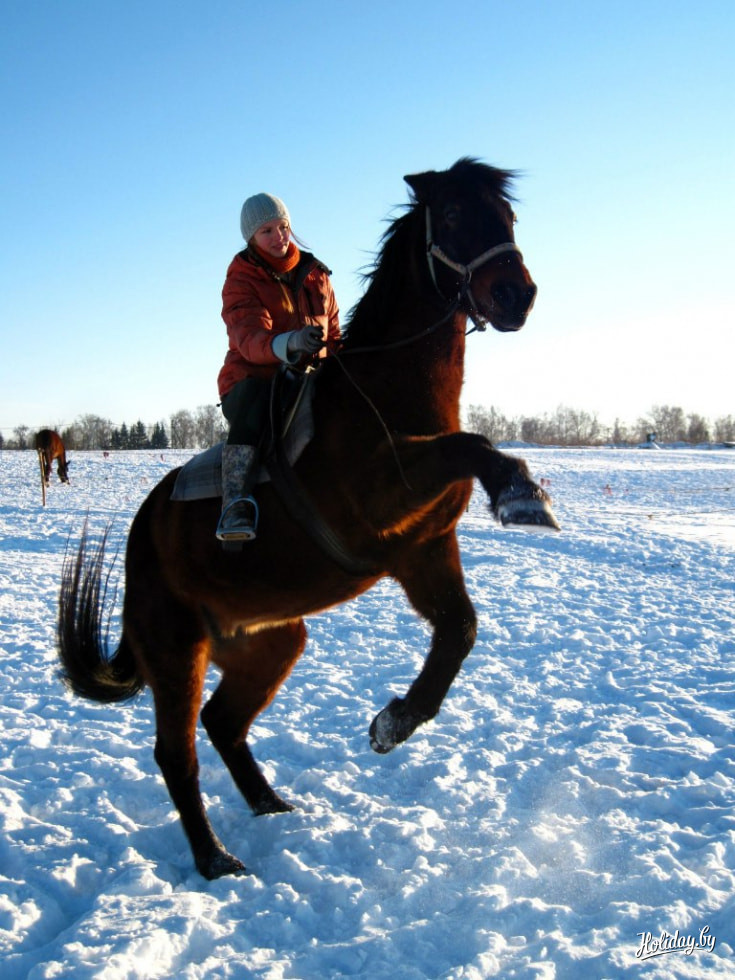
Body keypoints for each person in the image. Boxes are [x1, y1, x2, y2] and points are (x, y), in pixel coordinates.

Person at [216, 192, 341, 543]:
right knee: (256, 399)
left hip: (309, 380)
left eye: (283, 226)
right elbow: (249, 337)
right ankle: (235, 503)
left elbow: (335, 337)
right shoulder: (242, 278)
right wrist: (290, 344)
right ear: (251, 239)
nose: (279, 237)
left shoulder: (317, 275)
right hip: (252, 379)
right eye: (266, 231)